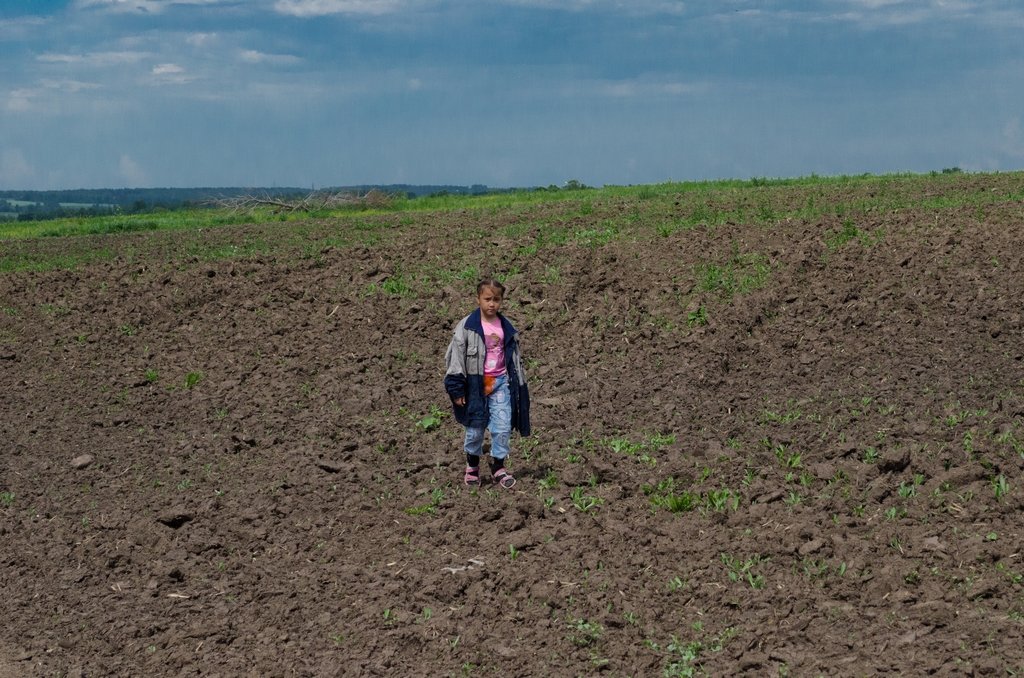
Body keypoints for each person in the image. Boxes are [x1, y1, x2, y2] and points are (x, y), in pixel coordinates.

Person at [444, 278, 531, 488]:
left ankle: (498, 467)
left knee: (502, 428)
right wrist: (456, 388)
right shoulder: (466, 327)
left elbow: (515, 360)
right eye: (487, 299)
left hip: (500, 382)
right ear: (478, 299)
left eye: (496, 299)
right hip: (476, 386)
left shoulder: (507, 327)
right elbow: (455, 358)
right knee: (475, 429)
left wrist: (520, 388)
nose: (492, 304)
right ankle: (472, 467)